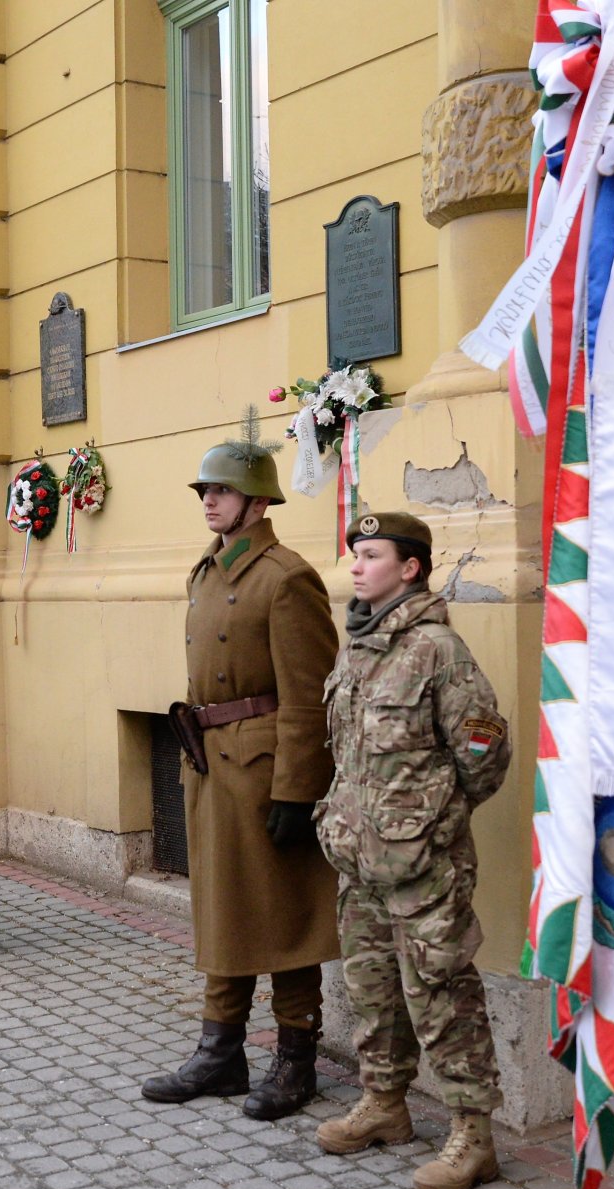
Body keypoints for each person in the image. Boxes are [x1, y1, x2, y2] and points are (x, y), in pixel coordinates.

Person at [140, 420, 339, 1122]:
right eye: (205, 489)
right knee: (224, 909)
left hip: (263, 768)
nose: (208, 500)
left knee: (282, 912)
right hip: (210, 762)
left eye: (222, 490)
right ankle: (220, 1049)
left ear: (258, 502)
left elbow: (310, 692)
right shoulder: (210, 567)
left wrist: (297, 786)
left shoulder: (286, 579)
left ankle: (296, 1058)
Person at [311, 512, 511, 1189]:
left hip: (424, 867)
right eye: (355, 556)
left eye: (371, 556)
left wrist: (436, 826)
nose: (357, 567)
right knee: (373, 991)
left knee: (442, 995)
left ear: (411, 568)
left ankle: (473, 1137)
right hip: (361, 863)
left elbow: (484, 754)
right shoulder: (359, 647)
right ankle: (385, 1105)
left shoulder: (437, 651)